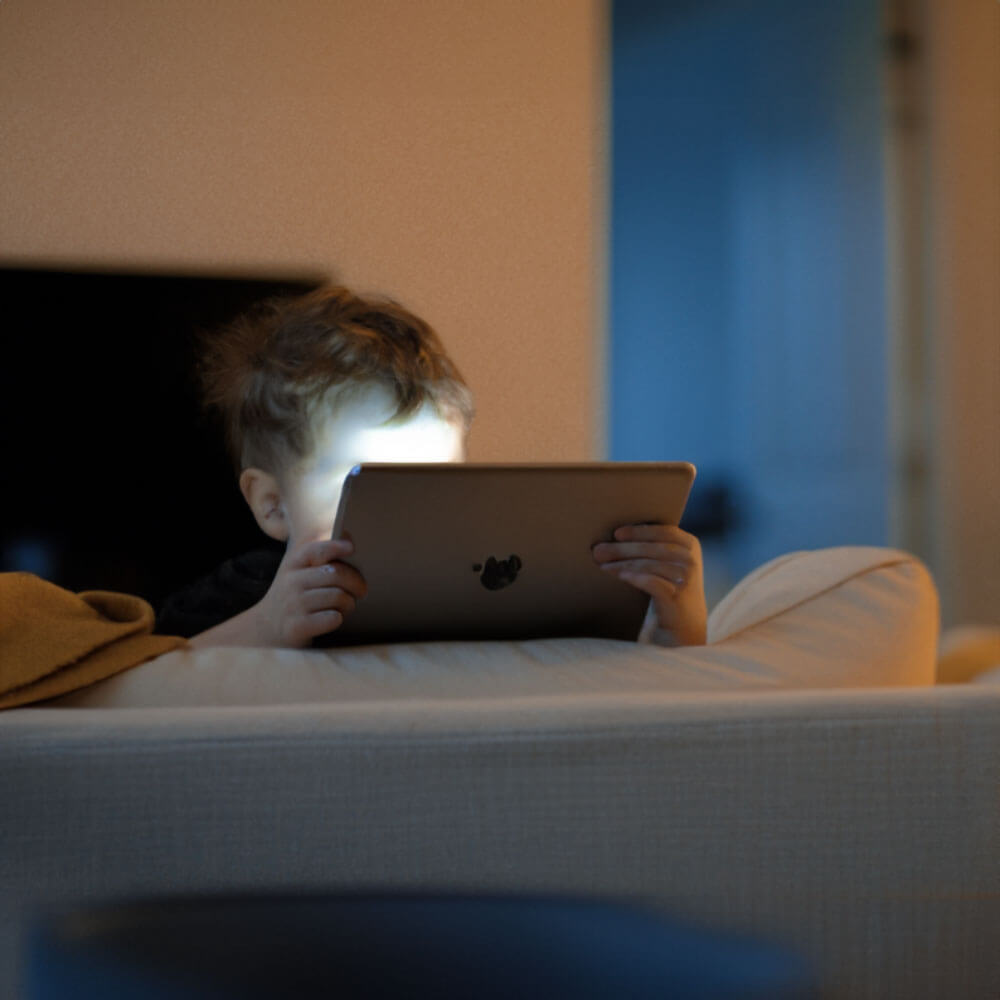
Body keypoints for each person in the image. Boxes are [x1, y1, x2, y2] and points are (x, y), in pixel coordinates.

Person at [157, 285, 707, 649]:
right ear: (273, 505)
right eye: (367, 481)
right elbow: (147, 673)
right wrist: (267, 625)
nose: (412, 512)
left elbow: (631, 678)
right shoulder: (257, 588)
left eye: (437, 477)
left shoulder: (501, 582)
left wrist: (679, 617)